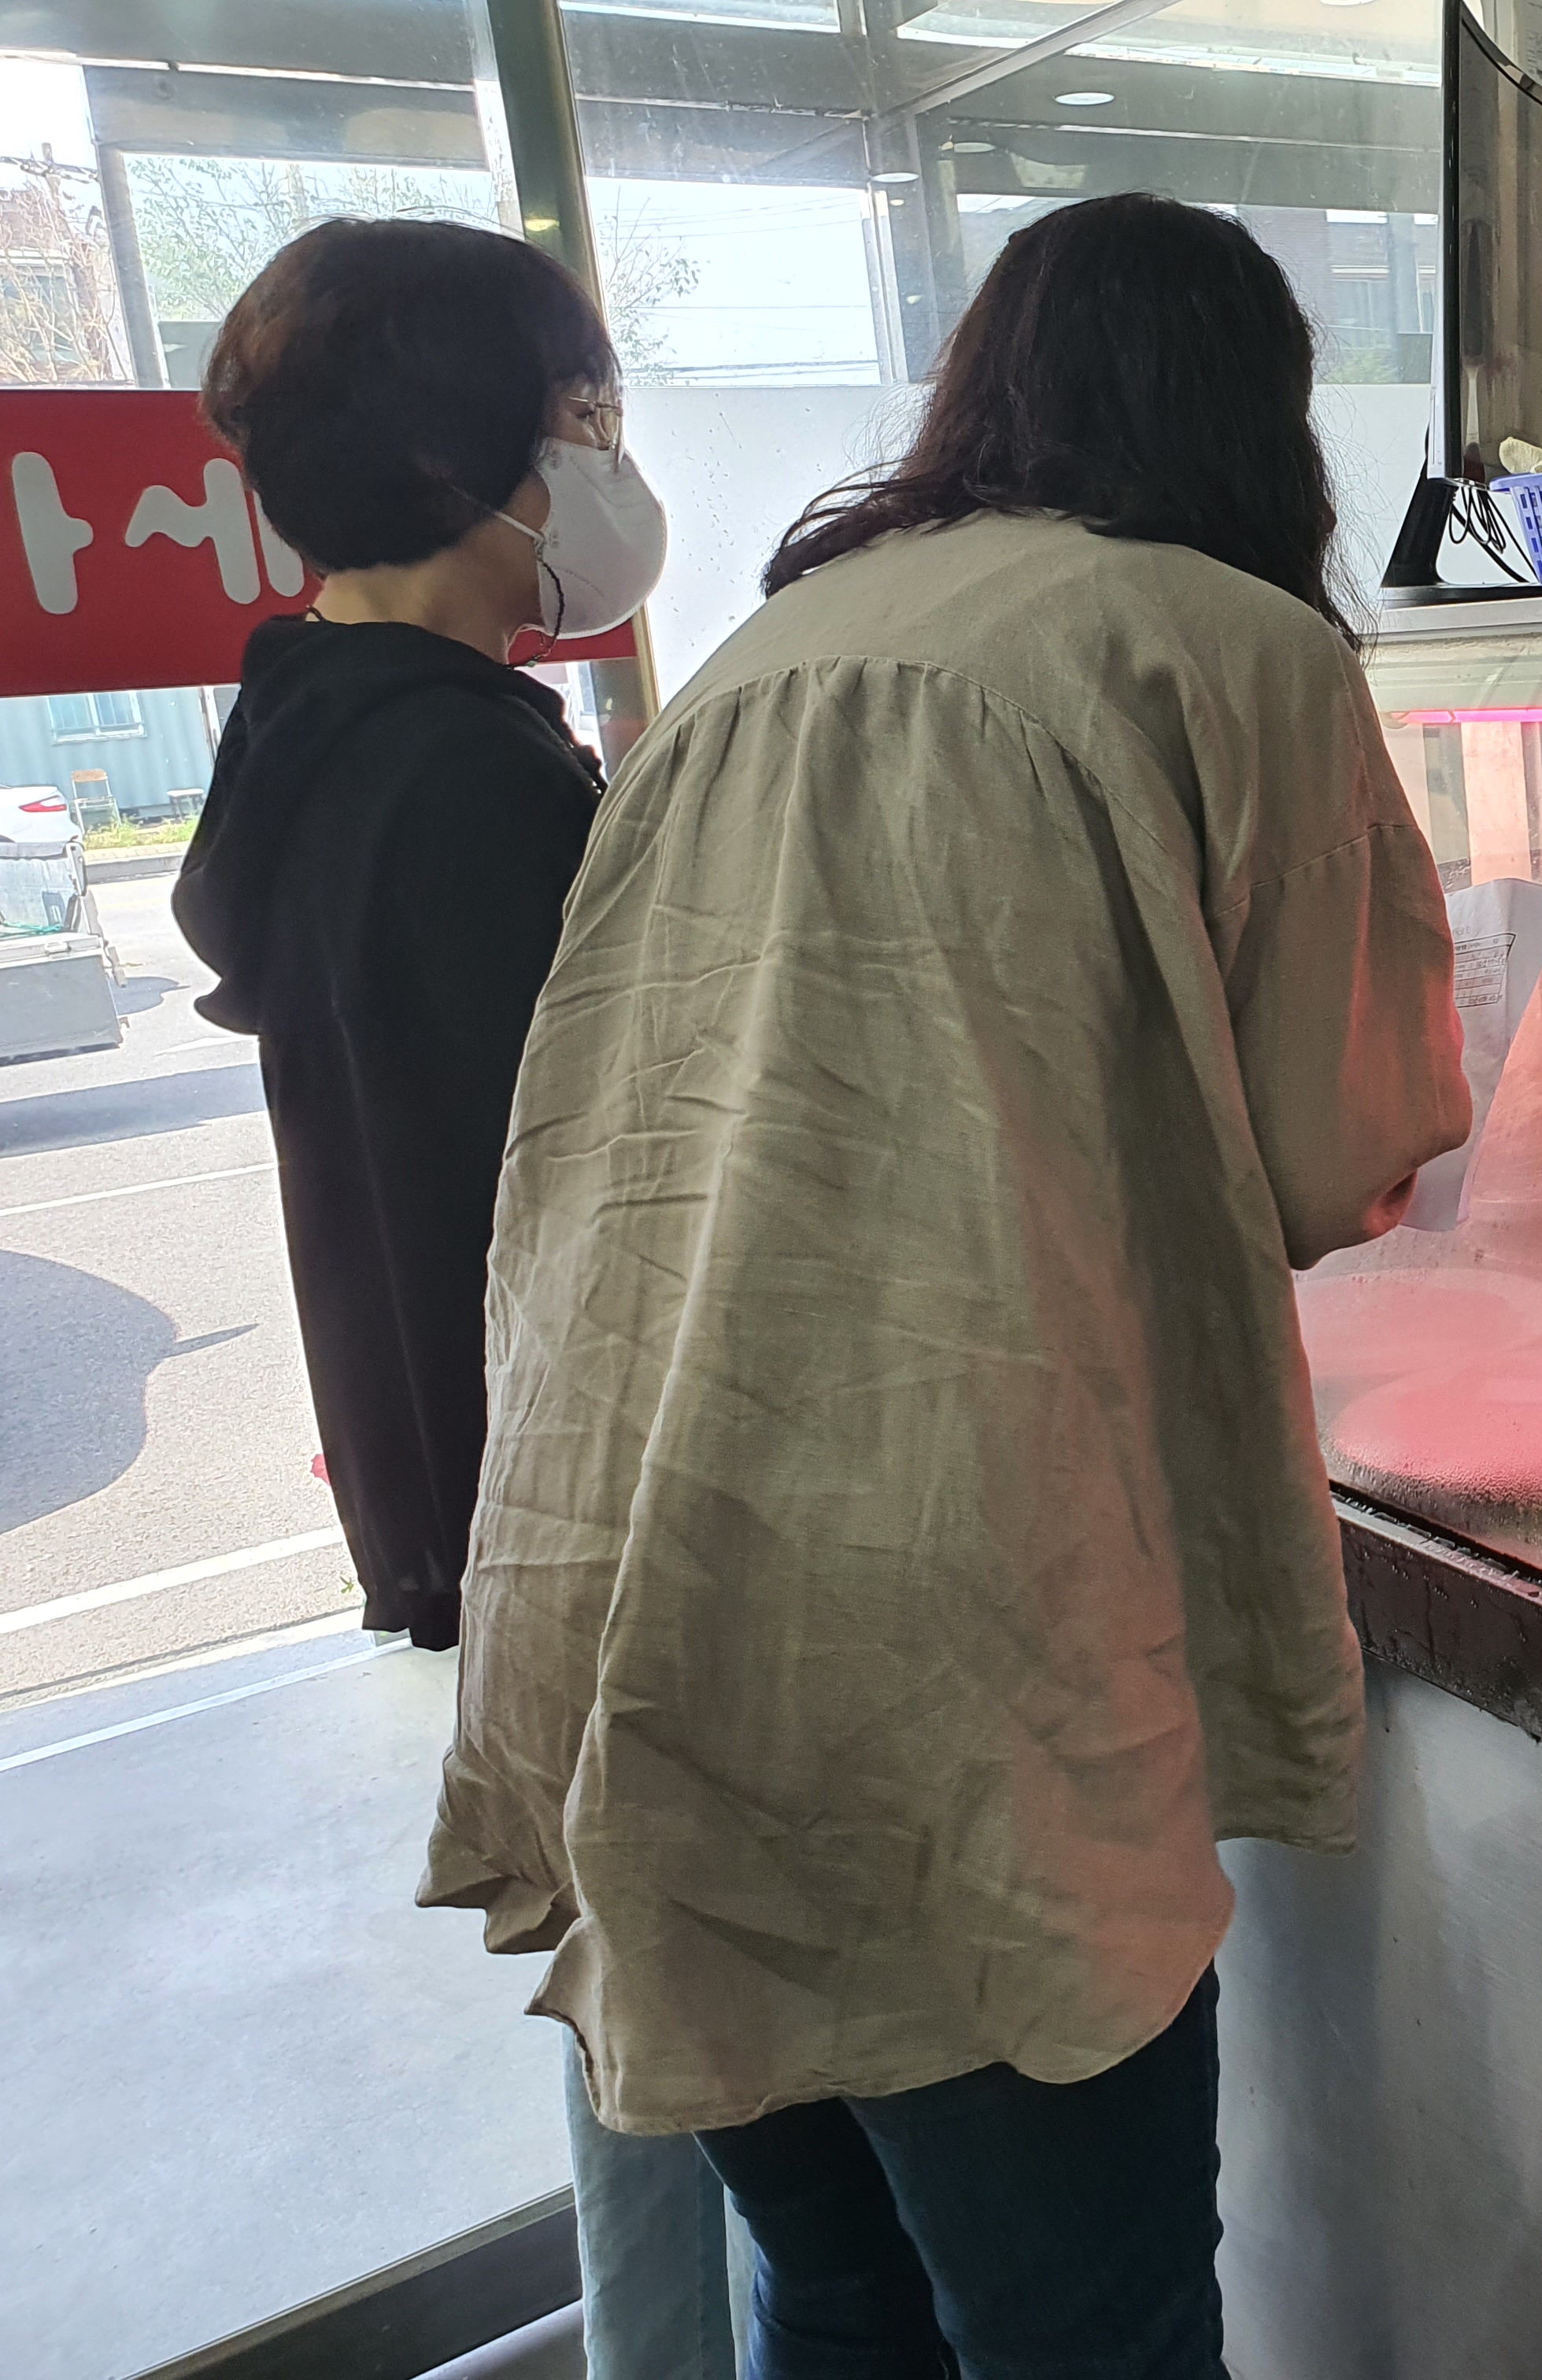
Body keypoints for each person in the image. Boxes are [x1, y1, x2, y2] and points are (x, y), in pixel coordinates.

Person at [419, 191, 1470, 2374]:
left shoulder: (756, 655)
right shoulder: (1228, 646)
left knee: (840, 2290)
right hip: (949, 1651)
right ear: (1258, 420)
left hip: (630, 1603)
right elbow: (1339, 1151)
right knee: (1087, 2334)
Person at [173, 217, 742, 2379]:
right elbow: (603, 1180)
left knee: (636, 2017)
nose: (604, 461)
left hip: (463, 1472)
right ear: (455, 464)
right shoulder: (468, 779)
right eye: (582, 417)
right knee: (685, 2047)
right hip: (580, 1495)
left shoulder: (310, 730)